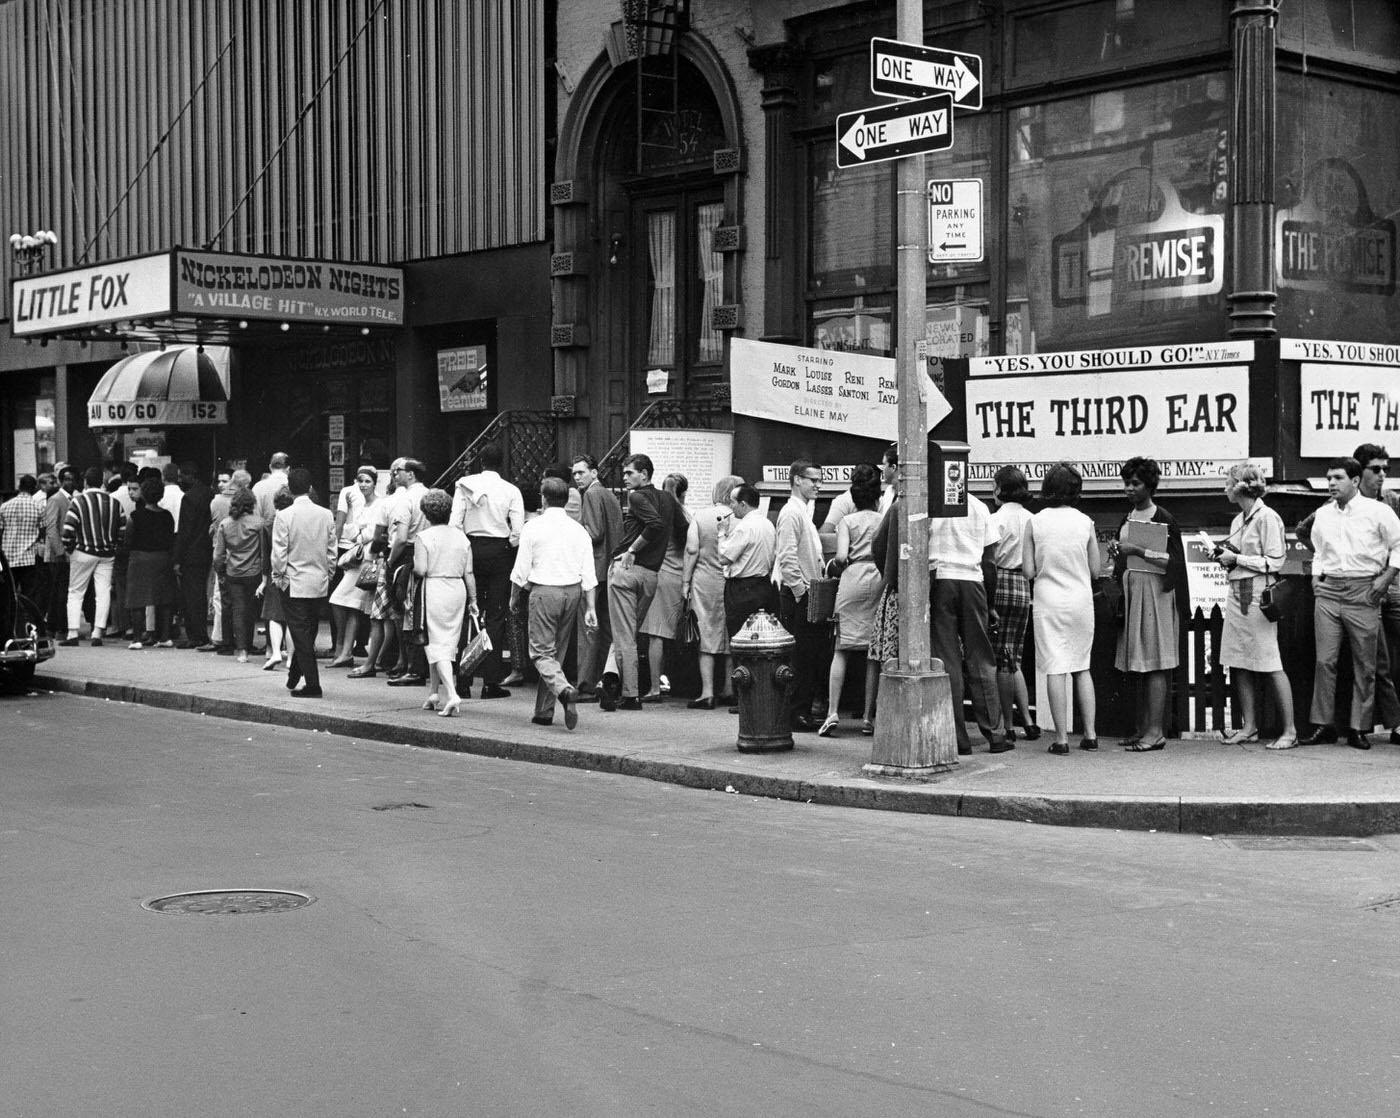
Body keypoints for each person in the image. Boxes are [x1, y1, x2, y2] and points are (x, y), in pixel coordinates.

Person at [1296, 457, 1400, 749]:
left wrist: (1385, 579)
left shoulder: (1378, 511)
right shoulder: (1323, 514)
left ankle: (1358, 728)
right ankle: (1324, 725)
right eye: (1329, 478)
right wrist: (1317, 578)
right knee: (1324, 660)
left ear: (1354, 481)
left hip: (1364, 589)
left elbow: (1398, 544)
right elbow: (1319, 549)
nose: (1331, 483)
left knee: (1365, 664)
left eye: (1338, 478)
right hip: (1329, 592)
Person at [1214, 462, 1296, 749]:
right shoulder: (1239, 520)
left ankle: (1289, 731)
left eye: (1228, 482)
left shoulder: (1267, 518)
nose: (1225, 487)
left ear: (1240, 486)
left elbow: (1275, 562)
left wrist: (1236, 559)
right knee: (1238, 661)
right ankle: (1249, 727)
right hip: (1237, 589)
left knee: (1269, 661)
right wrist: (1227, 557)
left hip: (1259, 593)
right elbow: (1243, 556)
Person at [1109, 456, 1188, 752]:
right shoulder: (1127, 517)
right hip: (1133, 593)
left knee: (1155, 662)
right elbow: (1123, 559)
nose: (1129, 489)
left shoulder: (1163, 518)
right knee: (1139, 663)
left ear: (1149, 485)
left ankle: (1155, 732)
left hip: (1157, 593)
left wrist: (1138, 550)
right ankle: (1144, 728)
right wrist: (1119, 554)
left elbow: (1175, 562)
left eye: (1135, 483)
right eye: (1126, 483)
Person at [928, 475, 1011, 755]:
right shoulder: (979, 507)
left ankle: (958, 737)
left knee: (947, 659)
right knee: (981, 658)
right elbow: (990, 560)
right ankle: (995, 734)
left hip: (940, 579)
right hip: (973, 581)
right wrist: (989, 604)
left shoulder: (932, 505)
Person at [1024, 463, 1099, 755]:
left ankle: (1061, 739)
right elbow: (1094, 569)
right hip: (1081, 599)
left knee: (1055, 667)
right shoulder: (1086, 522)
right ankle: (1090, 735)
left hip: (1048, 599)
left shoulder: (1036, 522)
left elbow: (1029, 570)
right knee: (1082, 666)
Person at [511, 476, 597, 729]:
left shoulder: (534, 527)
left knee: (540, 652)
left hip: (544, 590)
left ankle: (563, 689)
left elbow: (520, 569)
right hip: (572, 592)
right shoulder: (579, 530)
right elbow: (589, 574)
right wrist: (590, 607)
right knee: (556, 653)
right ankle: (544, 711)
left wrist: (514, 597)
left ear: (543, 498)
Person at [450, 442, 523, 699]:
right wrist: (506, 544)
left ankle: (463, 678)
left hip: (472, 548)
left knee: (469, 611)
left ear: (480, 462)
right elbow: (517, 531)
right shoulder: (511, 490)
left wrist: (467, 545)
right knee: (495, 616)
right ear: (501, 464)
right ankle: (490, 682)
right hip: (500, 551)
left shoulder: (464, 484)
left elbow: (454, 522)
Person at [604, 453, 674, 711]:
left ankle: (630, 694)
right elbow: (674, 528)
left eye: (629, 473)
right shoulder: (667, 498)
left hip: (627, 570)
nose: (624, 478)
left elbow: (654, 524)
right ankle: (609, 679)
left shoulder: (636, 497)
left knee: (624, 636)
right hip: (651, 576)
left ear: (644, 475)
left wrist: (632, 549)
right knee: (629, 633)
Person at [819, 463, 884, 737]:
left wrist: (833, 565)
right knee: (873, 652)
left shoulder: (847, 521)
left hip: (853, 577)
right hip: (878, 577)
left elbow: (843, 556)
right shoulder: (883, 519)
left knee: (841, 647)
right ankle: (868, 716)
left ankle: (832, 711)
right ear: (878, 496)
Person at [271, 467, 336, 698]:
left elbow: (279, 553)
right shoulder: (326, 514)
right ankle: (297, 673)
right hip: (318, 580)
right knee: (309, 631)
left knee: (300, 632)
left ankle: (312, 683)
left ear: (290, 489)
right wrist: (328, 573)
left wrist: (278, 577)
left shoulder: (284, 516)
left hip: (293, 580)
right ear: (310, 488)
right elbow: (331, 549)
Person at [412, 487, 476, 718]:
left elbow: (421, 569)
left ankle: (451, 693)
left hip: (435, 588)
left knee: (436, 643)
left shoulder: (424, 537)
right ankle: (433, 692)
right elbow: (469, 572)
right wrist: (474, 599)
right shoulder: (462, 536)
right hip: (457, 588)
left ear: (427, 514)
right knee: (446, 641)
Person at [682, 474, 744, 710]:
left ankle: (707, 692)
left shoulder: (701, 516)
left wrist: (685, 582)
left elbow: (691, 550)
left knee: (706, 632)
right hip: (731, 580)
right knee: (729, 633)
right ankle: (729, 688)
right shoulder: (740, 518)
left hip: (704, 580)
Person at [774, 459, 827, 732]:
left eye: (819, 480)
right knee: (803, 656)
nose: (818, 485)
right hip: (801, 594)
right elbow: (787, 557)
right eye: (812, 480)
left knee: (809, 656)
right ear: (796, 480)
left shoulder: (801, 512)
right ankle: (796, 712)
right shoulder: (792, 513)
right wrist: (801, 592)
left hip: (806, 592)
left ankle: (801, 710)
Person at [990, 465, 1039, 740]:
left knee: (1001, 659)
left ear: (1000, 489)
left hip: (1000, 581)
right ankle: (1029, 720)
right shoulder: (1032, 519)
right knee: (1014, 656)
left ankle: (1008, 725)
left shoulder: (996, 519)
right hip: (1023, 585)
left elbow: (989, 556)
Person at [572, 453, 623, 700]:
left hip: (594, 568)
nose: (576, 477)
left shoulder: (591, 494)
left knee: (588, 627)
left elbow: (594, 533)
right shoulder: (608, 494)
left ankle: (585, 684)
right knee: (606, 628)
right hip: (610, 568)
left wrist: (573, 530)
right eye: (574, 474)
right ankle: (604, 678)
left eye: (581, 472)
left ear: (594, 472)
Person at [350, 456, 406, 680]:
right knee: (398, 615)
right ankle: (399, 659)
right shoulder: (421, 497)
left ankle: (373, 662)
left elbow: (379, 537)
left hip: (389, 558)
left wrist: (376, 554)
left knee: (379, 616)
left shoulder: (388, 502)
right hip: (410, 558)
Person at [639, 472, 690, 701]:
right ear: (684, 493)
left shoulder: (658, 514)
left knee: (655, 636)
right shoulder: (688, 517)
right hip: (681, 577)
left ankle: (655, 687)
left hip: (661, 576)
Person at [61, 466, 125, 646]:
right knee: (103, 593)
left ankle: (72, 633)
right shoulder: (114, 503)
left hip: (83, 551)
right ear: (102, 482)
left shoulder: (78, 501)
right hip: (106, 553)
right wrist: (114, 546)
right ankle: (97, 632)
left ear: (85, 482)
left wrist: (70, 548)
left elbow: (68, 529)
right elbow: (122, 530)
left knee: (75, 592)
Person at [327, 467, 379, 668]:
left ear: (374, 483)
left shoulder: (379, 503)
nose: (363, 485)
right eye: (361, 481)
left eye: (367, 481)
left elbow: (371, 532)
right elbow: (350, 529)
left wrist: (357, 533)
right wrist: (357, 532)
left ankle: (344, 648)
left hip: (365, 559)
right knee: (350, 605)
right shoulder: (355, 498)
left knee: (342, 600)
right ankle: (344, 650)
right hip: (355, 556)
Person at [386, 458, 430, 687]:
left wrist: (391, 561)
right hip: (429, 551)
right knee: (422, 611)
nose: (394, 474)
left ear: (410, 474)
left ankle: (413, 666)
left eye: (398, 471)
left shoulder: (406, 498)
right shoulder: (431, 495)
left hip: (409, 553)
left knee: (406, 610)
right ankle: (419, 664)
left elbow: (401, 538)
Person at [123, 476, 178, 648]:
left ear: (144, 494)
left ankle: (137, 639)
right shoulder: (167, 516)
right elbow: (171, 538)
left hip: (139, 558)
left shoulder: (135, 516)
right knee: (163, 597)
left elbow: (128, 540)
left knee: (137, 599)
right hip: (162, 558)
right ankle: (165, 637)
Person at [212, 486, 265, 663]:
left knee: (238, 610)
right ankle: (248, 644)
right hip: (253, 571)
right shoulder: (258, 523)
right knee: (251, 610)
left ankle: (242, 650)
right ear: (251, 504)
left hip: (232, 571)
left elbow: (218, 554)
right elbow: (263, 551)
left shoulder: (225, 524)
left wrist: (220, 571)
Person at [718, 483, 777, 638]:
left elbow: (723, 558)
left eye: (732, 502)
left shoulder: (744, 527)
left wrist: (722, 533)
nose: (731, 506)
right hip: (763, 585)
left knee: (739, 636)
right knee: (760, 637)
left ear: (743, 504)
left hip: (742, 590)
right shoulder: (768, 524)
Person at [173, 462, 214, 649]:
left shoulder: (188, 498)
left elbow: (184, 531)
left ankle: (196, 635)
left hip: (191, 553)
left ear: (191, 476)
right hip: (205, 550)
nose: (180, 480)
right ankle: (200, 633)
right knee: (199, 595)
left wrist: (177, 558)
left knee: (191, 596)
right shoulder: (209, 493)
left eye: (182, 476)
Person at [259, 488, 296, 670]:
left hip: (275, 571)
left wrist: (265, 580)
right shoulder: (295, 518)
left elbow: (265, 555)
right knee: (290, 617)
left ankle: (274, 652)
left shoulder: (268, 523)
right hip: (295, 571)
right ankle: (290, 657)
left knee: (273, 615)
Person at [0, 475, 44, 601]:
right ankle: (26, 619)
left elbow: (0, 532)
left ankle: (10, 619)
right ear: (34, 488)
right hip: (29, 558)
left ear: (19, 487)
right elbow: (42, 532)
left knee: (8, 595)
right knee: (29, 595)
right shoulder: (38, 507)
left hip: (8, 558)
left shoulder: (5, 506)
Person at [37, 471, 70, 636]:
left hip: (60, 552)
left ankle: (53, 626)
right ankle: (57, 627)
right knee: (58, 590)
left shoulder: (62, 498)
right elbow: (51, 527)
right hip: (57, 553)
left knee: (57, 590)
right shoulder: (56, 499)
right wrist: (60, 551)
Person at [252, 452, 291, 524]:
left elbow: (254, 516)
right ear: (288, 468)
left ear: (270, 467)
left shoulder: (258, 487)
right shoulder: (294, 485)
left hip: (265, 532)